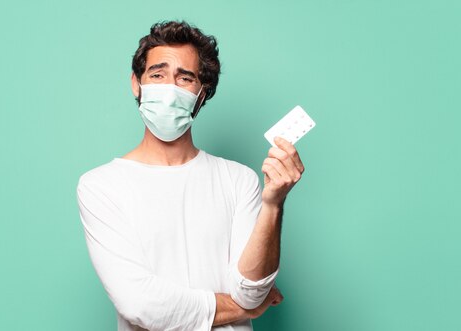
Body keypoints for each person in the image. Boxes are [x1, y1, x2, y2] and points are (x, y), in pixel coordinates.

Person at [76, 21, 305, 331]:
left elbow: (251, 291)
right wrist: (243, 308)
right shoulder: (101, 186)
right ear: (136, 83)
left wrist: (273, 204)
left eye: (185, 78)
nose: (169, 89)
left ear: (202, 94)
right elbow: (141, 304)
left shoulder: (238, 180)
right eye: (157, 75)